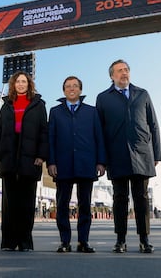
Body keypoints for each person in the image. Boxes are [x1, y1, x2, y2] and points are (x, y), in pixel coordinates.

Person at [96, 59, 161, 254]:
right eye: (119, 71)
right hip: (116, 155)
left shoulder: (143, 94)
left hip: (142, 153)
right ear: (112, 76)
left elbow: (154, 125)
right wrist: (101, 158)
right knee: (120, 198)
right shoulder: (103, 98)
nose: (124, 73)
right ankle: (120, 240)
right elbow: (99, 130)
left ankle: (144, 239)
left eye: (126, 70)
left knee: (141, 198)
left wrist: (156, 154)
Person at [0, 71, 48, 251]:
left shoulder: (38, 105)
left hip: (30, 158)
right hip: (8, 156)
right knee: (9, 203)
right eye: (18, 82)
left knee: (27, 203)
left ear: (29, 84)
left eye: (24, 81)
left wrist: (41, 155)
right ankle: (8, 242)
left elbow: (44, 132)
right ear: (13, 85)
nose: (21, 84)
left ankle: (25, 242)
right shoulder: (6, 104)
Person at [47, 76, 106, 253]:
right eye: (68, 86)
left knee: (85, 204)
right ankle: (65, 241)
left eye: (75, 86)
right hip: (62, 165)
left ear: (80, 90)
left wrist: (101, 162)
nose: (71, 89)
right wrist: (51, 162)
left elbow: (99, 137)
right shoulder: (55, 111)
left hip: (86, 163)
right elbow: (51, 139)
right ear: (63, 90)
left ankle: (83, 242)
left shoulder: (92, 111)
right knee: (62, 204)